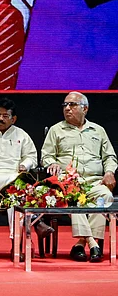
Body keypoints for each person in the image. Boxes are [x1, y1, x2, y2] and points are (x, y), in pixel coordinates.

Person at [41, 91, 117, 263]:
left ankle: (80, 245)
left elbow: (109, 157)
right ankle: (93, 244)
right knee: (73, 199)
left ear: (85, 109)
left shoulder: (98, 130)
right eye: (65, 105)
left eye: (72, 105)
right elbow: (46, 155)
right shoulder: (56, 130)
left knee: (105, 196)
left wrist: (109, 172)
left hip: (95, 181)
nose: (67, 108)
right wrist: (51, 164)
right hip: (68, 181)